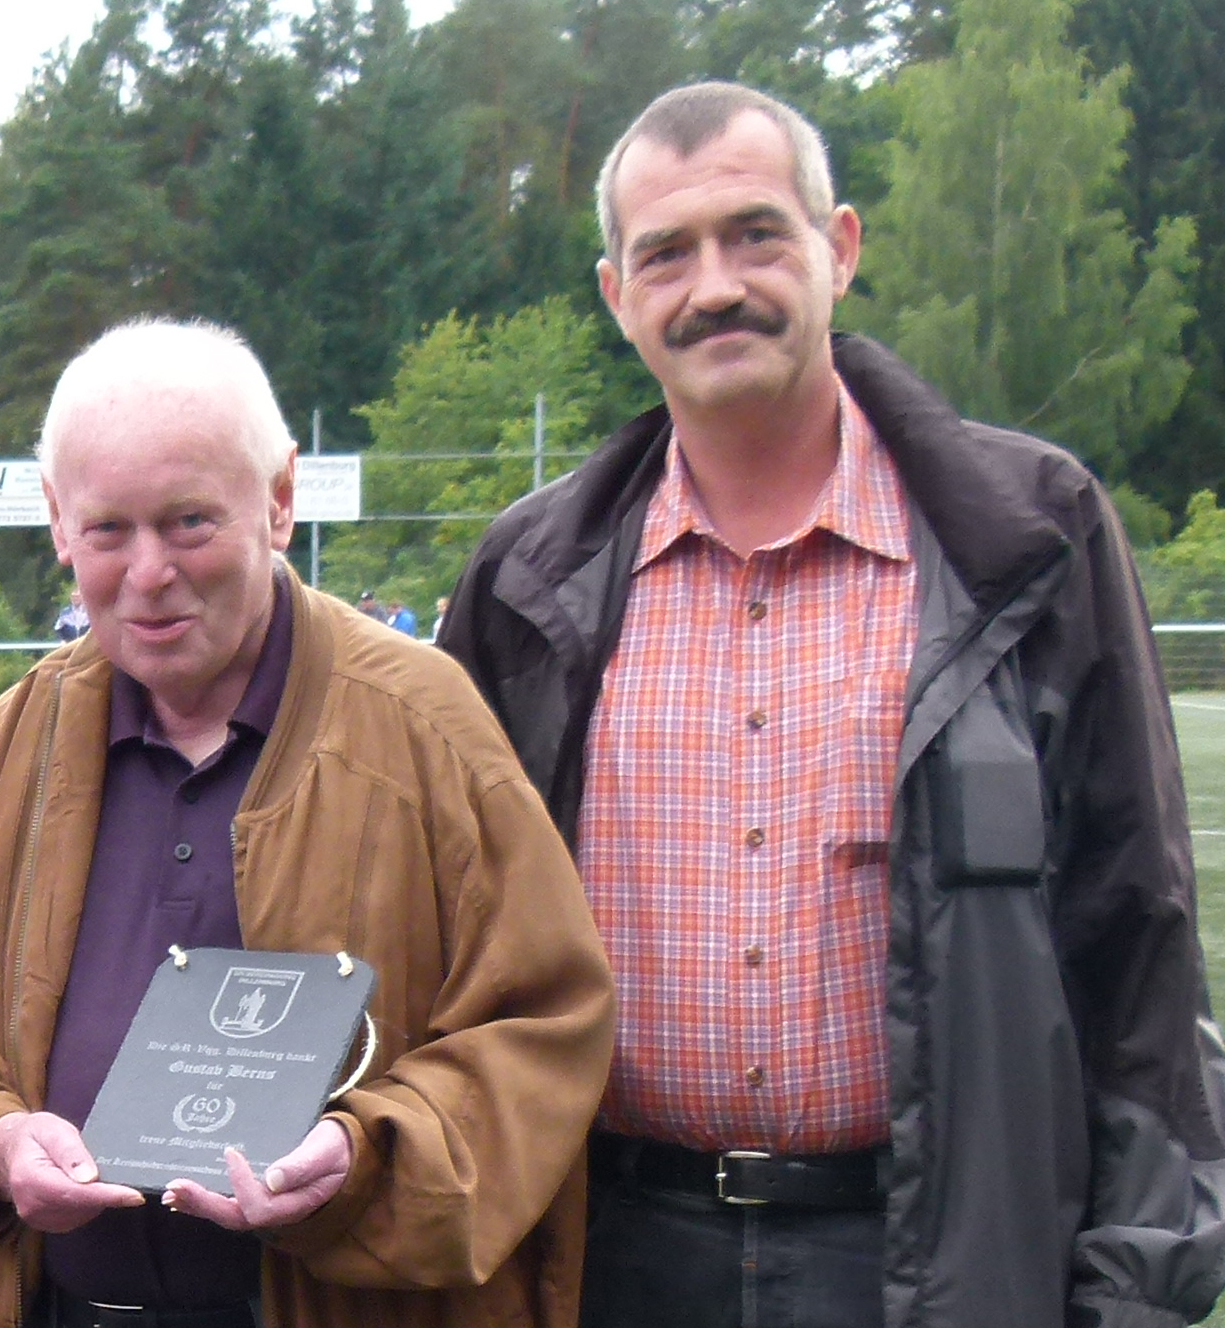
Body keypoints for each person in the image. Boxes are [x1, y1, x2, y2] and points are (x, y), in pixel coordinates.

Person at [438, 80, 1225, 1328]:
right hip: (614, 1253)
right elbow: (447, 945)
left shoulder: (1030, 534)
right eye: (667, 253)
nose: (715, 285)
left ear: (838, 247)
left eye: (756, 233)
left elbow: (1137, 936)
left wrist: (1130, 1284)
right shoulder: (525, 583)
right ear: (616, 294)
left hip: (930, 1255)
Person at [0, 317, 616, 1328]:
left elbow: (545, 1025)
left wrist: (368, 1150)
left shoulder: (424, 726)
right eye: (109, 529)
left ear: (279, 500)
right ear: (57, 522)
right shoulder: (18, 742)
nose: (150, 571)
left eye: (190, 522)